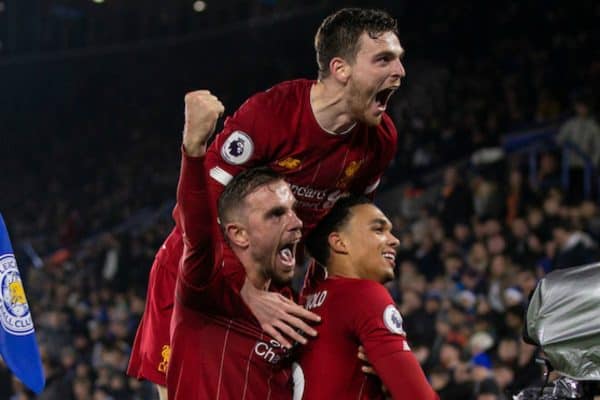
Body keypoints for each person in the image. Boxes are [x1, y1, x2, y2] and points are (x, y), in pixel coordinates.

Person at [128, 7, 406, 397]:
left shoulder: (379, 142)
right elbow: (198, 208)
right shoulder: (271, 115)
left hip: (272, 283)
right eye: (383, 59)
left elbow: (342, 237)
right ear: (341, 69)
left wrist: (356, 320)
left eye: (399, 59)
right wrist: (244, 289)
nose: (399, 72)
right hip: (201, 280)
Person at [168, 90, 304, 399]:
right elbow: (198, 230)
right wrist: (194, 150)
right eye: (276, 214)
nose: (296, 223)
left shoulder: (290, 302)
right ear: (238, 234)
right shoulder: (207, 285)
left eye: (293, 211)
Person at [297, 195, 439, 399]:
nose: (395, 240)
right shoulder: (363, 294)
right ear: (339, 242)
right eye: (378, 229)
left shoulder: (308, 298)